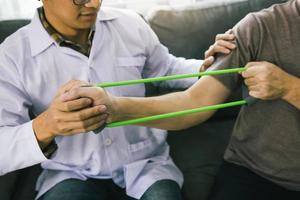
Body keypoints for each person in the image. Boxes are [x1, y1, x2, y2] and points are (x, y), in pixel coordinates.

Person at [63, 1, 300, 200]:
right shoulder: (259, 27)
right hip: (254, 173)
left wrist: (289, 87)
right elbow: (193, 103)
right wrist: (113, 108)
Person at [0, 0, 236, 199]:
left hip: (146, 166)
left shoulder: (129, 24)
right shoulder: (11, 56)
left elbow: (167, 68)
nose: (94, 3)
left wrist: (209, 68)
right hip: (71, 172)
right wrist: (46, 125)